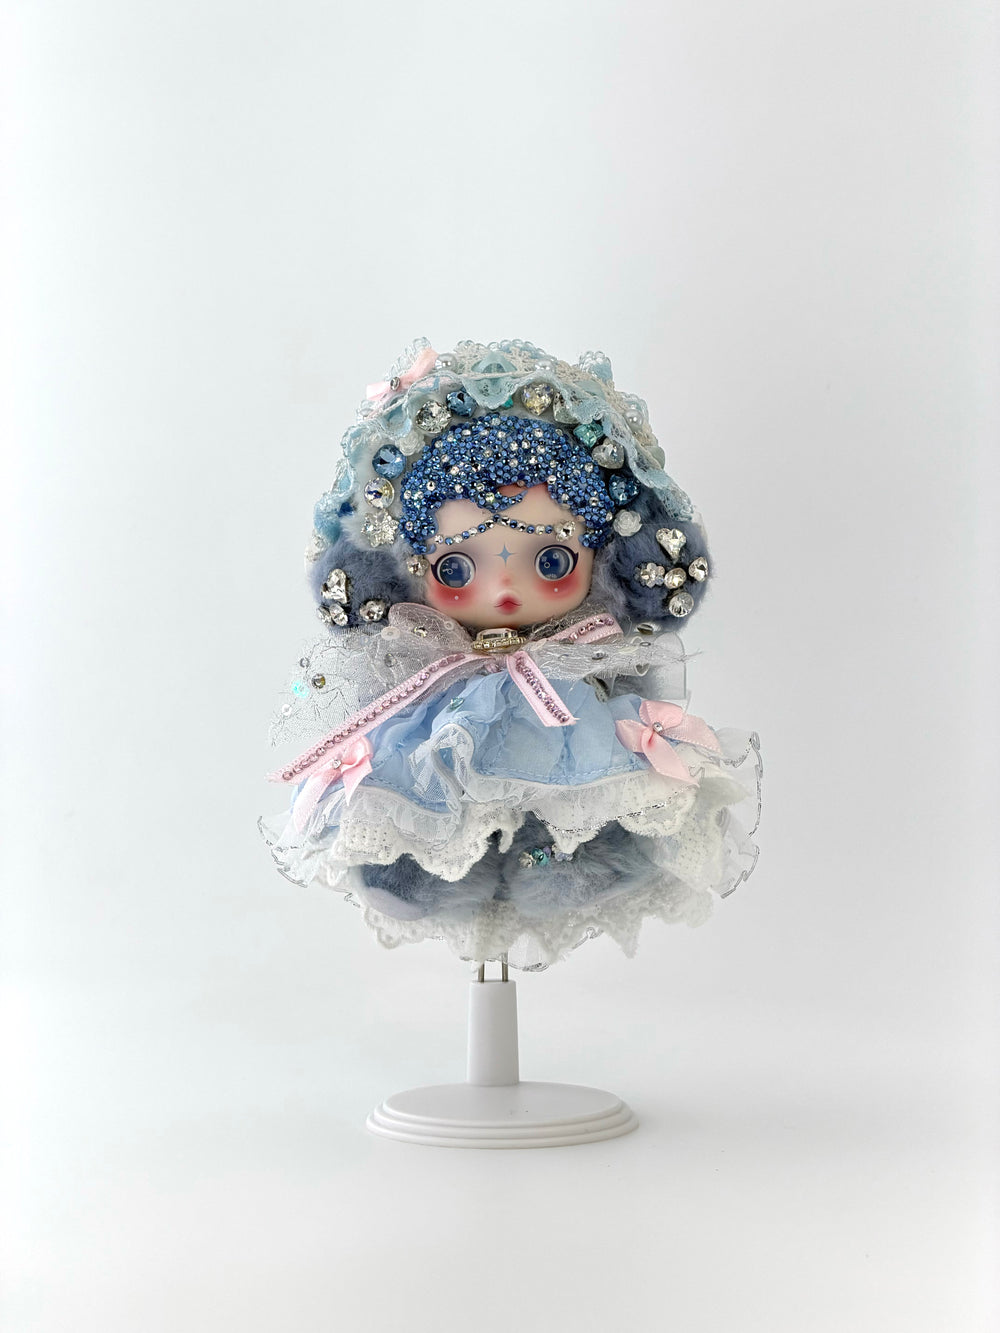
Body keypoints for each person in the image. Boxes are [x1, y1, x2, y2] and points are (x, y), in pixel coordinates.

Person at [261, 339, 760, 971]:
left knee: (587, 787)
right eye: (456, 567)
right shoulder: (422, 661)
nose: (503, 591)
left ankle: (570, 857)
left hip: (566, 708)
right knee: (416, 778)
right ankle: (418, 868)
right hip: (447, 713)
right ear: (410, 569)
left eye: (550, 561)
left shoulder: (580, 655)